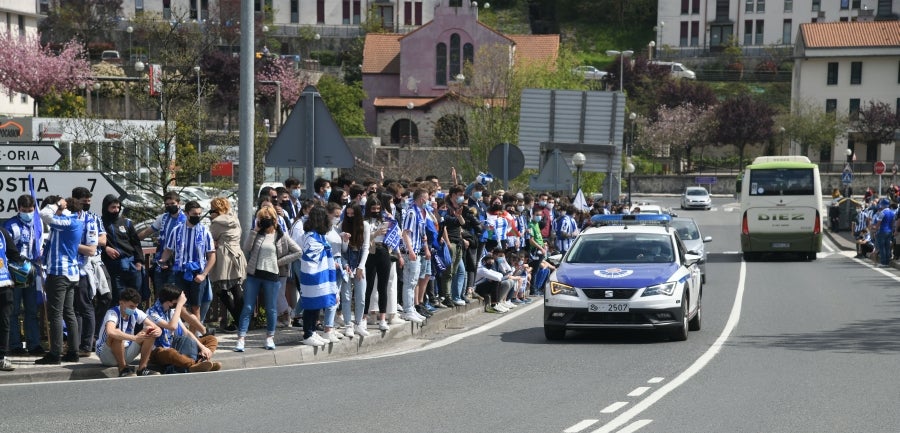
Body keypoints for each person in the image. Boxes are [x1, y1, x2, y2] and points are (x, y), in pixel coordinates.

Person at [234, 206, 302, 351]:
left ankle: (269, 338)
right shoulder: (256, 234)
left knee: (271, 308)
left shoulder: (281, 236)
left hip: (272, 276)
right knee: (247, 307)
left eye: (266, 219)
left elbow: (298, 252)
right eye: (261, 219)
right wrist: (254, 231)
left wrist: (278, 262)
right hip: (254, 275)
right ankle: (241, 339)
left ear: (274, 220)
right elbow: (246, 248)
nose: (263, 221)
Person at [35, 197, 85, 365]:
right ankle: (73, 351)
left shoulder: (66, 222)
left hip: (59, 272)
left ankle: (55, 353)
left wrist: (57, 204)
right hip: (71, 273)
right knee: (68, 313)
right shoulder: (76, 221)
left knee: (56, 314)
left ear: (65, 209)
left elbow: (44, 214)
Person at [157, 200, 216, 323]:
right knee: (180, 305)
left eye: (199, 214)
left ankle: (197, 334)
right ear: (187, 213)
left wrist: (204, 274)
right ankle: (185, 332)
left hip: (197, 273)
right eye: (194, 214)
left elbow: (212, 256)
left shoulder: (205, 232)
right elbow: (168, 250)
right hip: (180, 272)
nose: (197, 216)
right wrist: (162, 261)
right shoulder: (177, 230)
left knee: (196, 307)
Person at [147, 285, 219, 373]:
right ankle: (194, 364)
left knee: (211, 339)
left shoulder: (172, 311)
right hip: (158, 351)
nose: (180, 304)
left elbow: (186, 332)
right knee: (170, 353)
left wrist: (203, 347)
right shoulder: (151, 313)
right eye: (178, 301)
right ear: (170, 302)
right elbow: (172, 326)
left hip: (175, 344)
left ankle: (199, 362)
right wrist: (179, 306)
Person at [4, 194, 43, 356]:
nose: (27, 212)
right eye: (24, 210)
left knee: (32, 310)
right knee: (13, 311)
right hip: (15, 271)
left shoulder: (37, 223)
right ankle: (15, 345)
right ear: (18, 209)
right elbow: (5, 251)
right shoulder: (10, 225)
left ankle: (34, 344)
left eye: (30, 210)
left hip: (32, 270)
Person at [298, 205, 339, 347]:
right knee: (311, 305)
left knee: (317, 305)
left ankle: (313, 331)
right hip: (313, 276)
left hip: (321, 275)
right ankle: (308, 333)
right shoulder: (311, 236)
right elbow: (310, 257)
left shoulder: (319, 235)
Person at [95, 288, 161, 376]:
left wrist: (158, 331)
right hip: (107, 356)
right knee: (117, 333)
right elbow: (110, 332)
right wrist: (134, 338)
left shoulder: (135, 312)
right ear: (121, 303)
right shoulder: (112, 313)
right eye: (131, 306)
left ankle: (142, 369)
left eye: (135, 306)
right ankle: (123, 369)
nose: (134, 309)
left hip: (126, 353)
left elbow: (156, 327)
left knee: (150, 330)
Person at [72, 186, 103, 358]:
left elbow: (92, 249)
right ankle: (75, 345)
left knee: (86, 307)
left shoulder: (90, 220)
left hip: (83, 270)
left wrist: (70, 245)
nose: (85, 205)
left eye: (87, 202)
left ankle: (86, 345)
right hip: (68, 270)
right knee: (73, 309)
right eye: (82, 202)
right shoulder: (68, 217)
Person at [207, 197, 246, 332]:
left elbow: (211, 237)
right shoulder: (235, 219)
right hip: (236, 253)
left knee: (221, 290)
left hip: (224, 256)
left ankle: (238, 319)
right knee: (236, 288)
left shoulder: (216, 222)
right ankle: (243, 321)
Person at [100, 194, 144, 312]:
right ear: (106, 207)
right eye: (112, 207)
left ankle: (136, 325)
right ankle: (120, 324)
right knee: (120, 298)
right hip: (114, 267)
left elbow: (136, 243)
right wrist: (106, 249)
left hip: (131, 265)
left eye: (118, 207)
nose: (116, 210)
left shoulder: (126, 223)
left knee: (135, 297)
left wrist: (139, 261)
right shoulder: (100, 223)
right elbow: (95, 242)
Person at [138, 191, 185, 295]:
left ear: (178, 203)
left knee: (173, 294)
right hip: (161, 260)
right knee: (160, 292)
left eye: (172, 203)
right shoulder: (163, 218)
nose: (170, 206)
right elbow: (148, 231)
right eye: (167, 204)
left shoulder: (185, 219)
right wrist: (133, 240)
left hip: (177, 262)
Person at [340, 203, 372, 336]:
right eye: (348, 213)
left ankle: (358, 323)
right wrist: (345, 241)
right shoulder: (342, 225)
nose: (350, 216)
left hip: (359, 262)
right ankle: (348, 324)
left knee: (361, 296)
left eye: (353, 214)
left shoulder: (365, 225)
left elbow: (366, 247)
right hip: (346, 262)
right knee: (346, 296)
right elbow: (341, 251)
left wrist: (361, 266)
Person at [400, 189, 430, 323]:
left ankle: (411, 308)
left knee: (412, 283)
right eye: (426, 198)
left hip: (417, 252)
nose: (427, 201)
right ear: (421, 199)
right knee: (409, 282)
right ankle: (408, 310)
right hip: (410, 253)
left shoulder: (420, 213)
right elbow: (405, 233)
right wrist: (411, 251)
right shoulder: (412, 213)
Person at [0, 222, 25, 371]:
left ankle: (2, 357)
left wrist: (25, 269)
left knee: (4, 323)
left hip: (4, 284)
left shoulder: (2, 233)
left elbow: (14, 255)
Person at [870, 198, 894, 268]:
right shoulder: (892, 212)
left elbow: (879, 223)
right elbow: (892, 223)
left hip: (882, 231)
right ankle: (887, 261)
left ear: (882, 205)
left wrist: (875, 229)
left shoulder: (882, 213)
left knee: (882, 247)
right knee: (887, 247)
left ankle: (883, 262)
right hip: (889, 231)